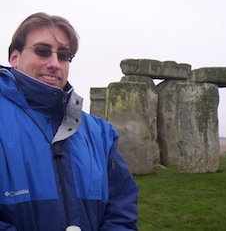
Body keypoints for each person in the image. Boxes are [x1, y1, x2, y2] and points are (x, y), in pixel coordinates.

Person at [0, 12, 139, 231]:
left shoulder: (101, 133)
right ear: (14, 58)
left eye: (64, 55)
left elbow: (121, 207)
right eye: (42, 51)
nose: (54, 63)